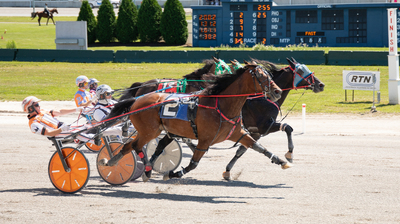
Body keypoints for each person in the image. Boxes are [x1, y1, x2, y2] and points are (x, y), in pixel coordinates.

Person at [22, 96, 95, 143]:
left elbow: (60, 112)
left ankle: (98, 136)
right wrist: (62, 129)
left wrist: (76, 109)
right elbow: (49, 133)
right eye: (37, 105)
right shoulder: (33, 123)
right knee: (75, 133)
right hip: (57, 134)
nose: (39, 106)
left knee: (85, 126)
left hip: (63, 128)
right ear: (30, 108)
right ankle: (94, 140)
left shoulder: (43, 111)